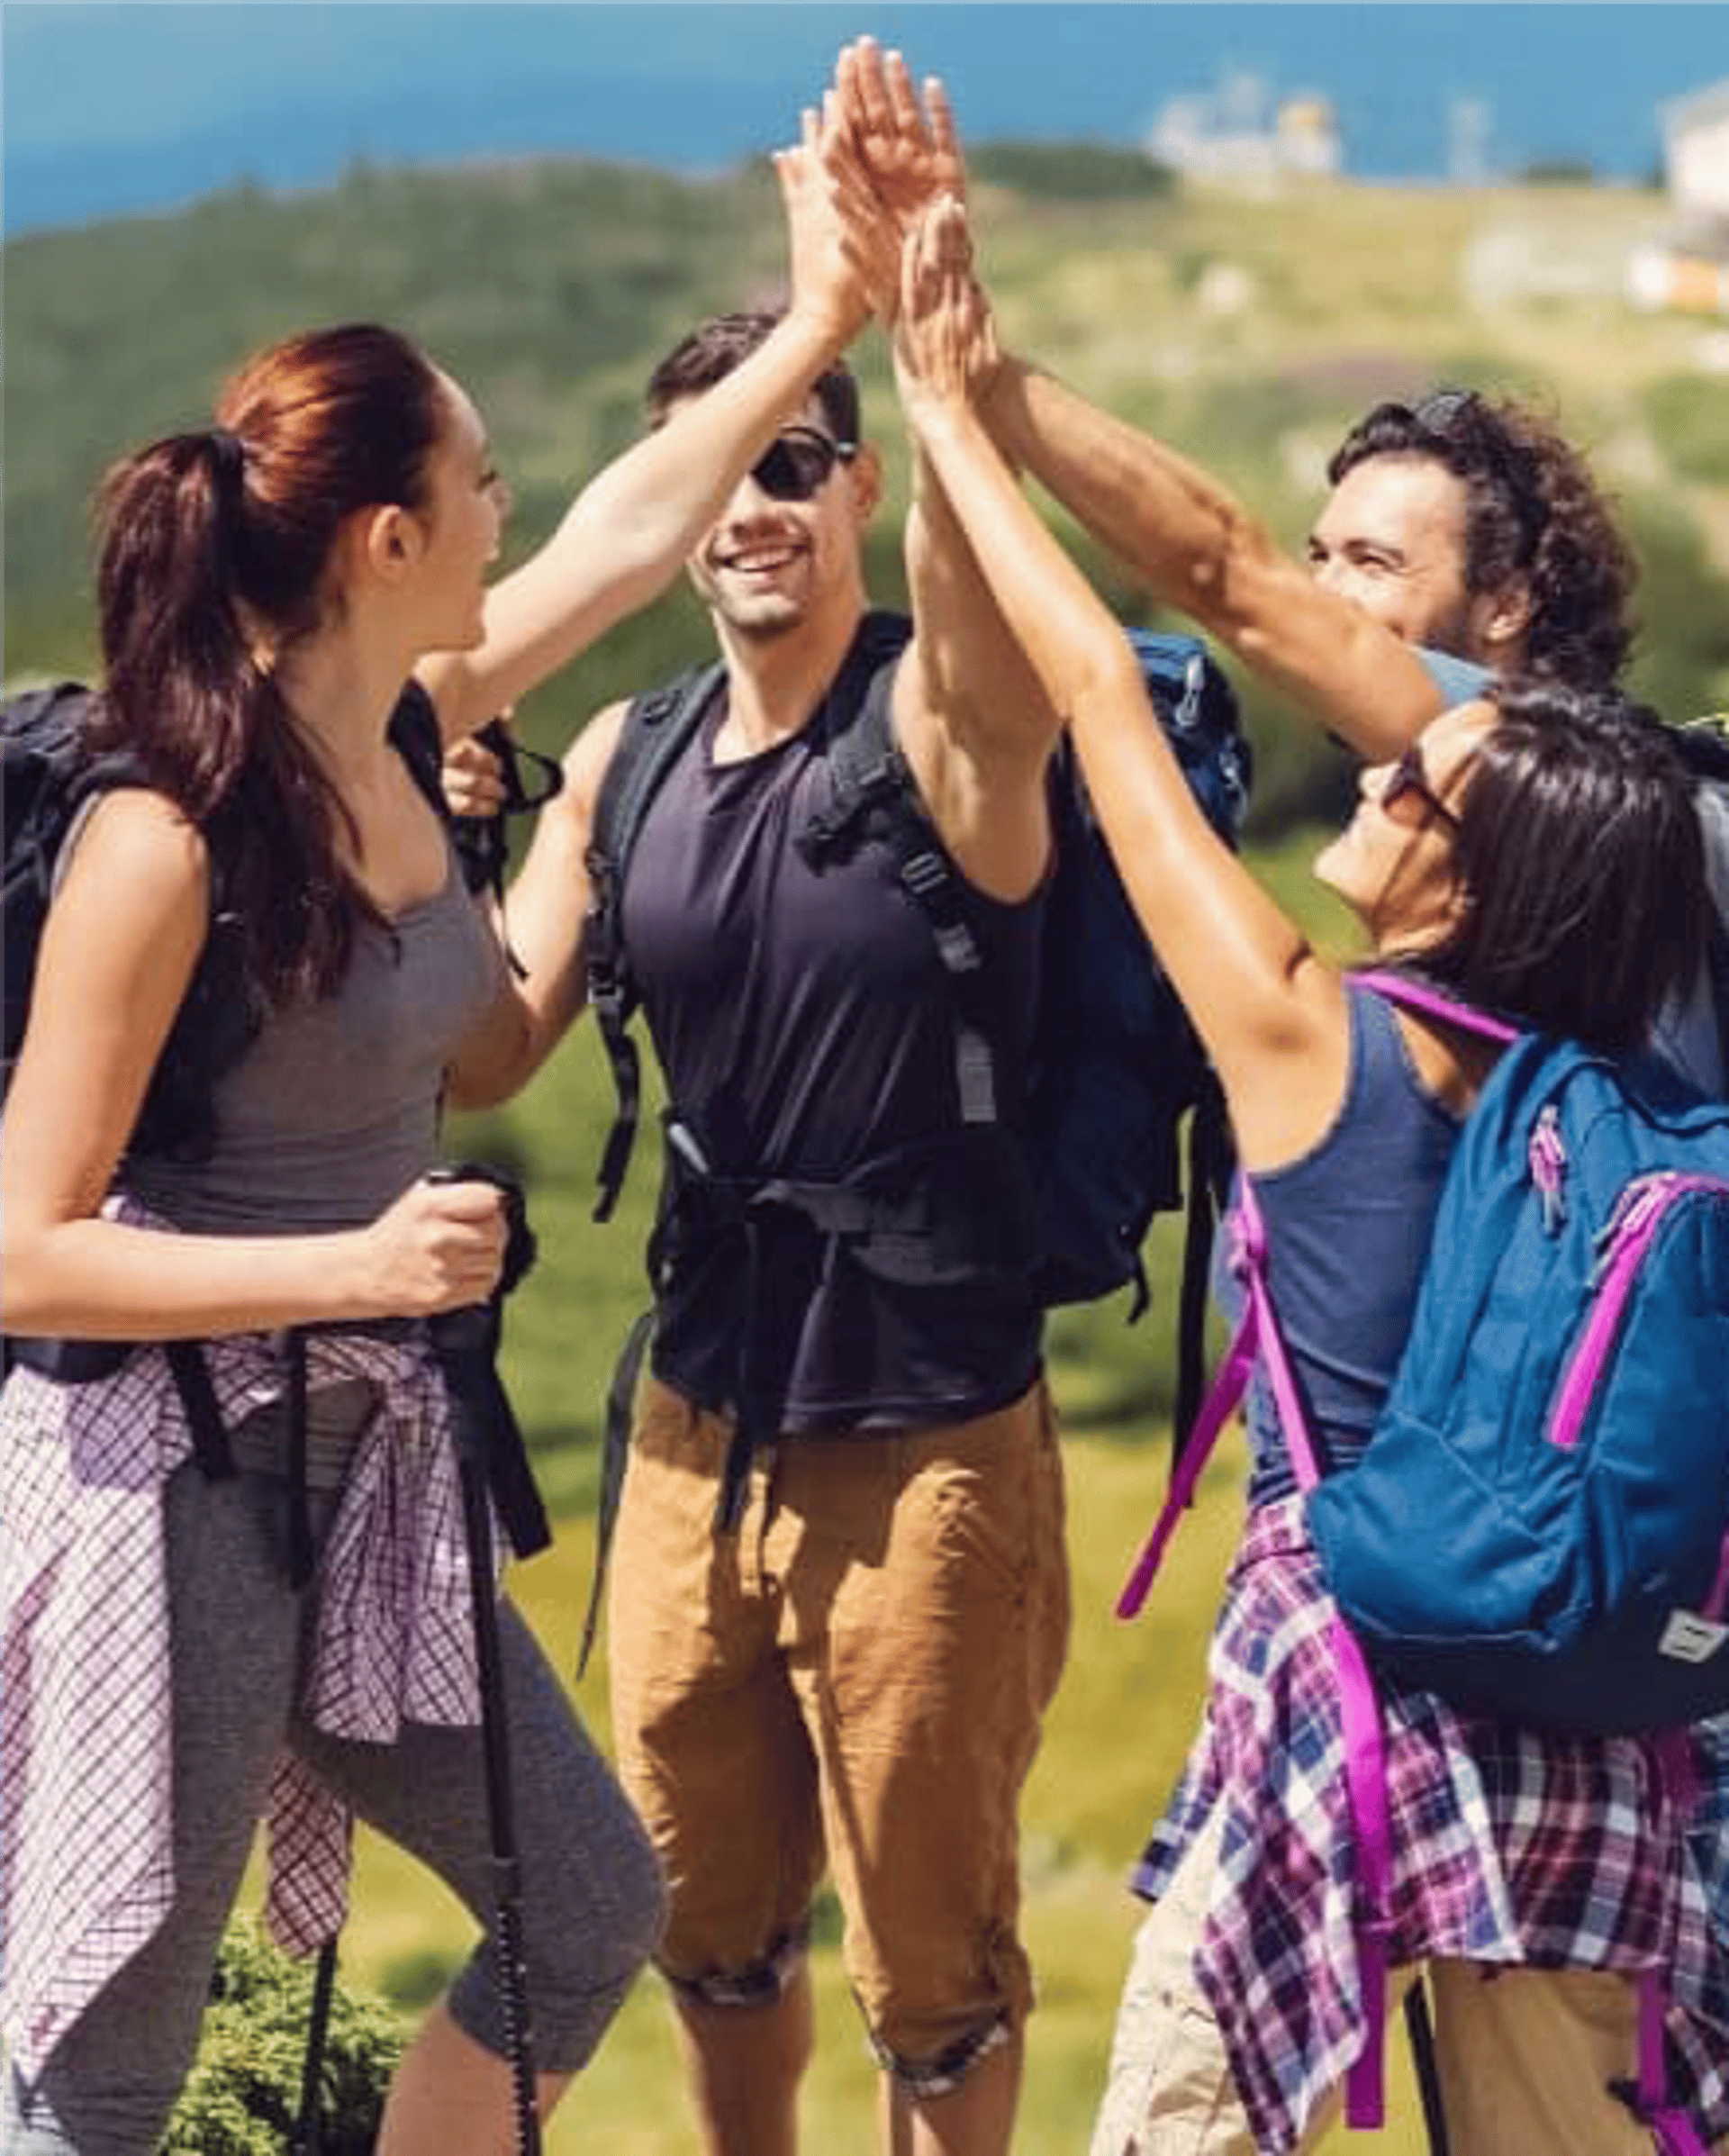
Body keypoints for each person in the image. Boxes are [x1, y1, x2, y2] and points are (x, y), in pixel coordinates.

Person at [0, 128, 874, 2155]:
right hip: (177, 1480)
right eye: (482, 483)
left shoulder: (404, 724)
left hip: (366, 1467)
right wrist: (356, 1273)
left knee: (583, 1907)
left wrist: (827, 314)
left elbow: (640, 532)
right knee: (102, 2051)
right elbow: (25, 1250)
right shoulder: (171, 831)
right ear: (388, 536)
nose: (514, 509)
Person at [881, 183, 1729, 2154]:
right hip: (1601, 1747)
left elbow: (1110, 686)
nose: (1377, 757)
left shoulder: (1305, 1038)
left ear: (1484, 861)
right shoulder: (1621, 1071)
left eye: (1418, 777)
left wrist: (947, 403)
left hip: (1349, 1704)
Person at [452, 129, 1073, 2155]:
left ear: (858, 490)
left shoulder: (936, 728)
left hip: (926, 1438)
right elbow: (485, 1052)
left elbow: (990, 654)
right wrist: (432, 841)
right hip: (690, 1424)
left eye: (793, 464)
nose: (751, 510)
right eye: (717, 475)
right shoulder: (619, 764)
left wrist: (916, 348)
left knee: (930, 1964)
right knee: (701, 1922)